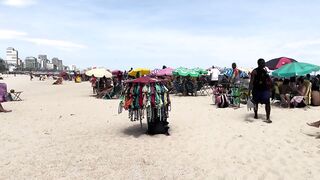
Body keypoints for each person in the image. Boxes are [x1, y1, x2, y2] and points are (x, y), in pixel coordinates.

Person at [249, 58, 272, 123]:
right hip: (256, 89)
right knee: (255, 103)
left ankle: (268, 117)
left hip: (264, 89)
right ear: (259, 64)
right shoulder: (254, 71)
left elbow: (269, 81)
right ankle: (256, 114)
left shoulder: (265, 71)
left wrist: (270, 87)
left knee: (267, 102)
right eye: (263, 63)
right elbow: (251, 82)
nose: (264, 64)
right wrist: (249, 92)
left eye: (264, 63)